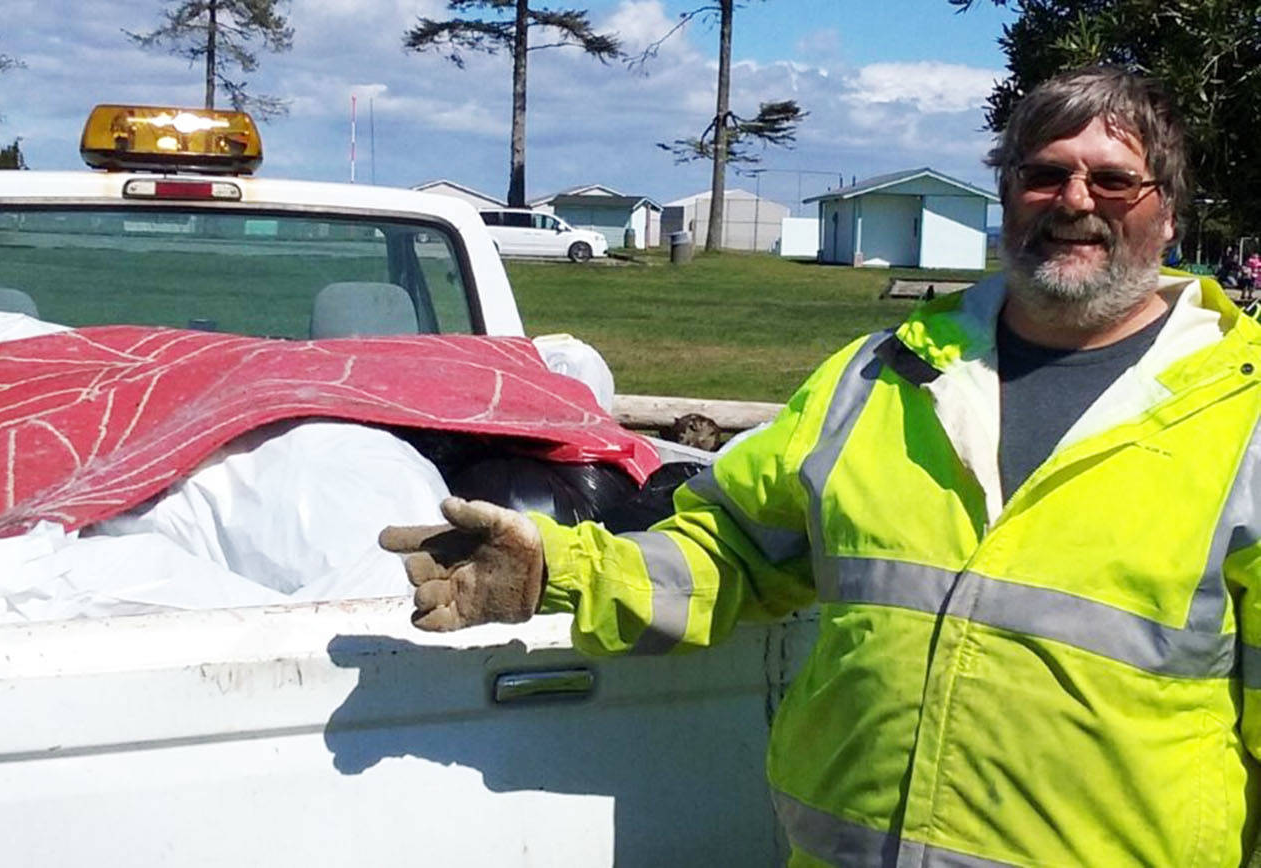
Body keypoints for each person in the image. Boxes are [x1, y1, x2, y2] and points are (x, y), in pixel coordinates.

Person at [381, 67, 1261, 867]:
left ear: (1169, 212)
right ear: (1010, 197)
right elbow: (732, 545)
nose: (1075, 200)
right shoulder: (884, 373)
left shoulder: (1241, 413)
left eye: (1111, 179)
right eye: (1045, 174)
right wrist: (557, 566)